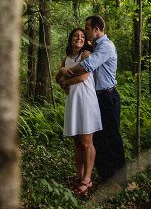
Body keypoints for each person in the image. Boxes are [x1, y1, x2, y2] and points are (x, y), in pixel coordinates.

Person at [62, 15, 127, 188]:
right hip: (95, 98)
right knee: (98, 139)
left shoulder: (106, 46)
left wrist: (67, 73)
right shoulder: (94, 46)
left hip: (108, 96)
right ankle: (105, 177)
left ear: (96, 29)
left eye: (88, 29)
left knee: (112, 137)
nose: (85, 32)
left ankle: (120, 181)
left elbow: (86, 67)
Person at [56, 28, 102, 195]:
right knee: (77, 141)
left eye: (83, 36)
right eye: (76, 35)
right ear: (71, 38)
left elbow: (83, 77)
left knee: (86, 142)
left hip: (86, 101)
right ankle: (79, 175)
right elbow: (57, 79)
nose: (79, 38)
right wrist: (61, 73)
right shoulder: (66, 58)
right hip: (72, 101)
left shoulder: (86, 56)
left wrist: (65, 80)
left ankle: (87, 180)